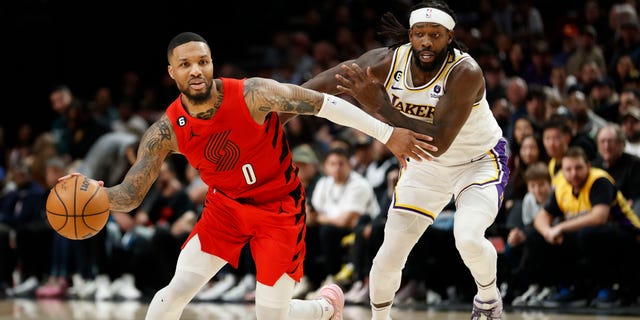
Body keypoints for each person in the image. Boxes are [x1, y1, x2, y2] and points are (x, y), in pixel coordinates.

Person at [59, 31, 435, 320]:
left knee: (270, 314)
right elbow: (131, 192)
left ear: (211, 63)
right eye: (186, 64)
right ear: (171, 72)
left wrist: (388, 135)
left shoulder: (253, 94)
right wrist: (94, 193)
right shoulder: (166, 130)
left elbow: (325, 105)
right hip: (225, 210)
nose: (196, 70)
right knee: (172, 293)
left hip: (279, 211)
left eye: (203, 61)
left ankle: (324, 308)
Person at [303, 1, 509, 319]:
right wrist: (285, 106)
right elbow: (333, 81)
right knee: (387, 258)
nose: (426, 42)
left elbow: (437, 141)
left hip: (477, 162)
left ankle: (487, 297)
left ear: (450, 37)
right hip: (425, 166)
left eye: (435, 35)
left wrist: (379, 105)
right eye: (420, 34)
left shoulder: (464, 72)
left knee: (467, 237)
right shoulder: (387, 61)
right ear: (410, 36)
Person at [530, 146, 640, 307]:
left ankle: (609, 288)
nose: (573, 173)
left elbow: (599, 218)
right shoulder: (562, 186)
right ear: (563, 171)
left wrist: (560, 228)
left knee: (588, 235)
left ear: (588, 166)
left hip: (629, 236)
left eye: (578, 168)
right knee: (537, 237)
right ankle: (571, 288)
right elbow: (541, 218)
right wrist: (548, 232)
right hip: (591, 236)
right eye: (568, 169)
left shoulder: (599, 180)